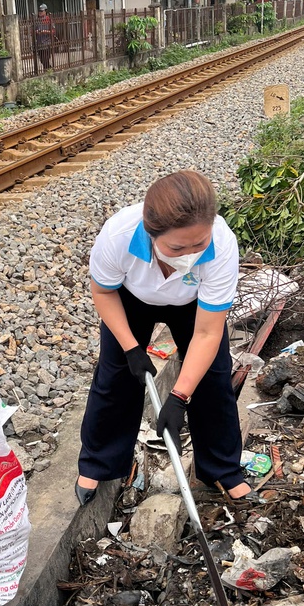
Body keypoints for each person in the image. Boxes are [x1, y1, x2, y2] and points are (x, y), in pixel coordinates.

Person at [75, 170, 251, 505]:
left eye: (199, 244)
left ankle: (222, 469)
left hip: (192, 305)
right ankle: (100, 463)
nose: (190, 255)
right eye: (177, 247)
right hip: (131, 298)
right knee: (115, 376)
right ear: (151, 233)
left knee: (213, 380)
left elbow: (207, 331)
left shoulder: (223, 245)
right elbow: (103, 291)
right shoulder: (119, 235)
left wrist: (179, 396)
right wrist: (131, 348)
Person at [35, 3, 54, 71]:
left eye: (41, 11)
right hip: (39, 43)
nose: (40, 12)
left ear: (45, 11)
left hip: (46, 43)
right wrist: (36, 31)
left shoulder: (49, 20)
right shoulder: (37, 21)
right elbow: (32, 31)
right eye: (39, 11)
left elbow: (53, 31)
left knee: (45, 58)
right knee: (42, 60)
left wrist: (45, 31)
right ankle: (48, 69)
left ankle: (48, 70)